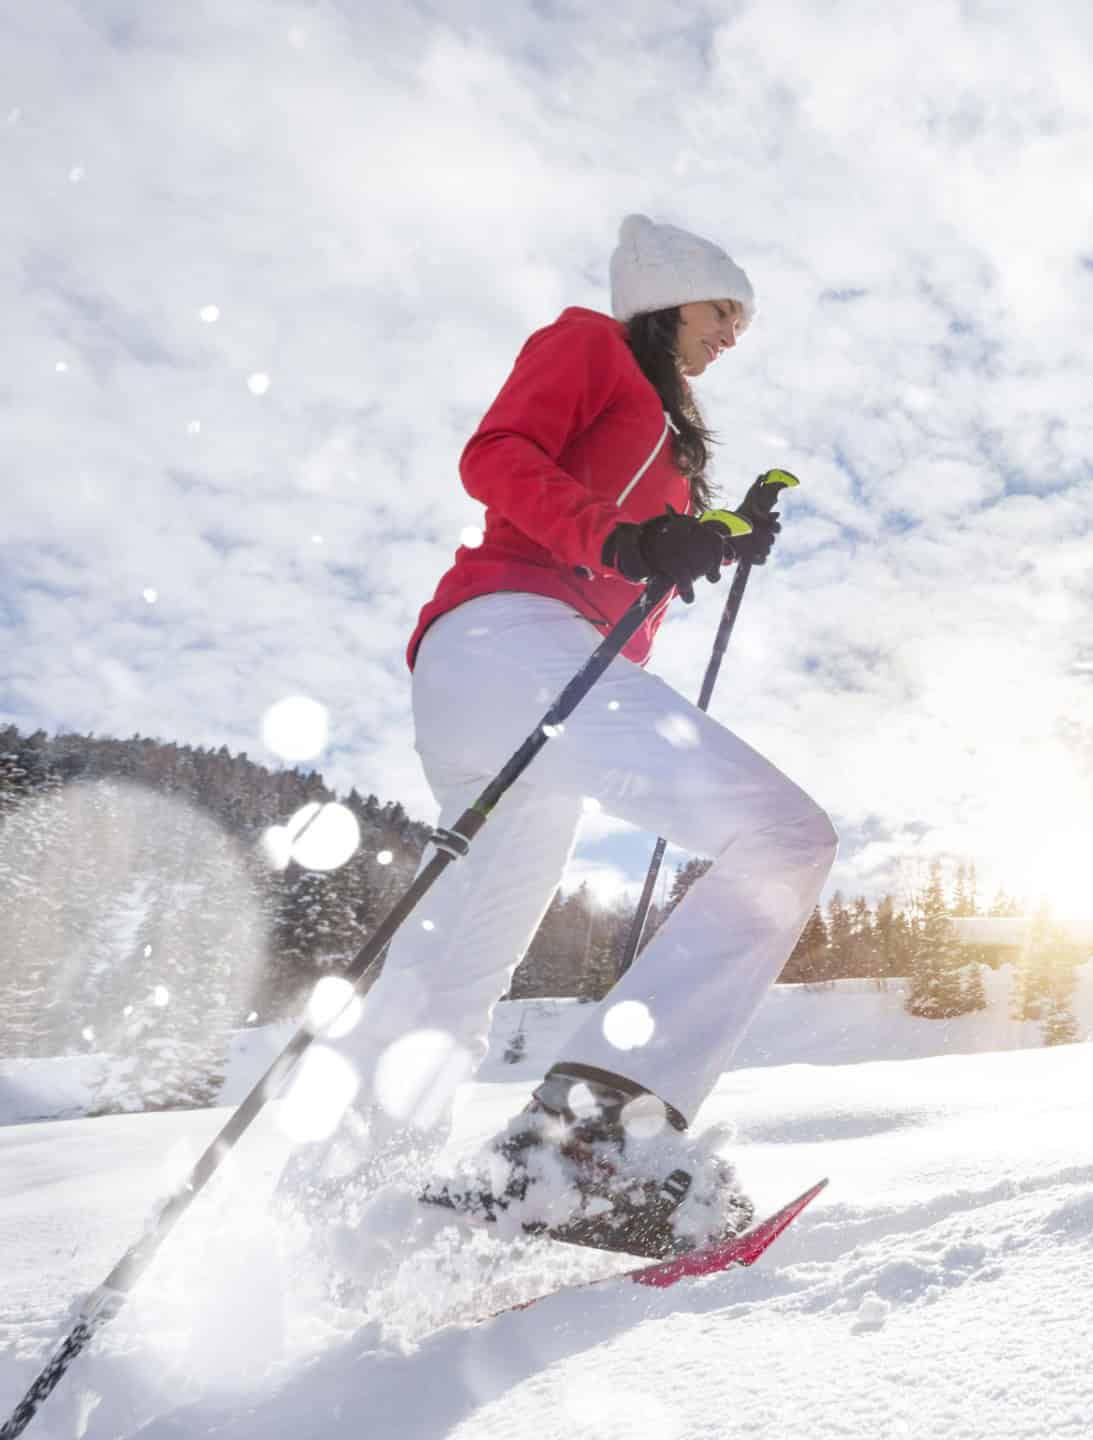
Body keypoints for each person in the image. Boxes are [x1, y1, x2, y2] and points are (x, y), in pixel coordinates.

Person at [282, 214, 838, 1256]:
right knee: (785, 836)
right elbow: (500, 458)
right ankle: (592, 1147)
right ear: (668, 292)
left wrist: (712, 534)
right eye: (724, 310)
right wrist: (627, 534)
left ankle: (344, 1224)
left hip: (507, 669)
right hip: (511, 640)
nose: (732, 335)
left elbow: (630, 539)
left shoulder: (665, 429)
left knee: (458, 971)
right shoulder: (588, 343)